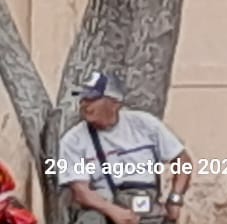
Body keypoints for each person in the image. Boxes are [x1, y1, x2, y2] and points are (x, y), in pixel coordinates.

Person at [55, 71, 193, 224]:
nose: (85, 104)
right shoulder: (73, 140)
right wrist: (114, 212)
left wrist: (175, 199)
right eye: (83, 98)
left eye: (92, 99)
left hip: (144, 207)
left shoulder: (145, 125)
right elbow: (81, 191)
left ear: (115, 102)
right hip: (102, 209)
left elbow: (183, 161)